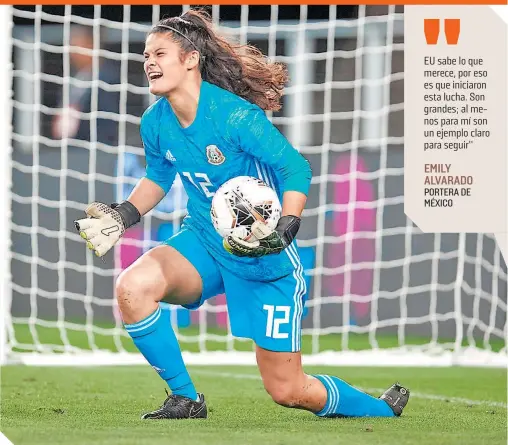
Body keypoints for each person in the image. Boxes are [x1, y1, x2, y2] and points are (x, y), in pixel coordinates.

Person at [74, 8, 410, 420]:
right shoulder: (155, 121)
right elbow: (158, 178)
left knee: (288, 390)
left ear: (191, 59)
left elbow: (295, 168)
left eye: (160, 53)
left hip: (263, 260)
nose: (149, 62)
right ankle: (185, 399)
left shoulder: (235, 116)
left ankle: (379, 410)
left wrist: (285, 226)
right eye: (146, 55)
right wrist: (124, 214)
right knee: (133, 288)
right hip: (205, 243)